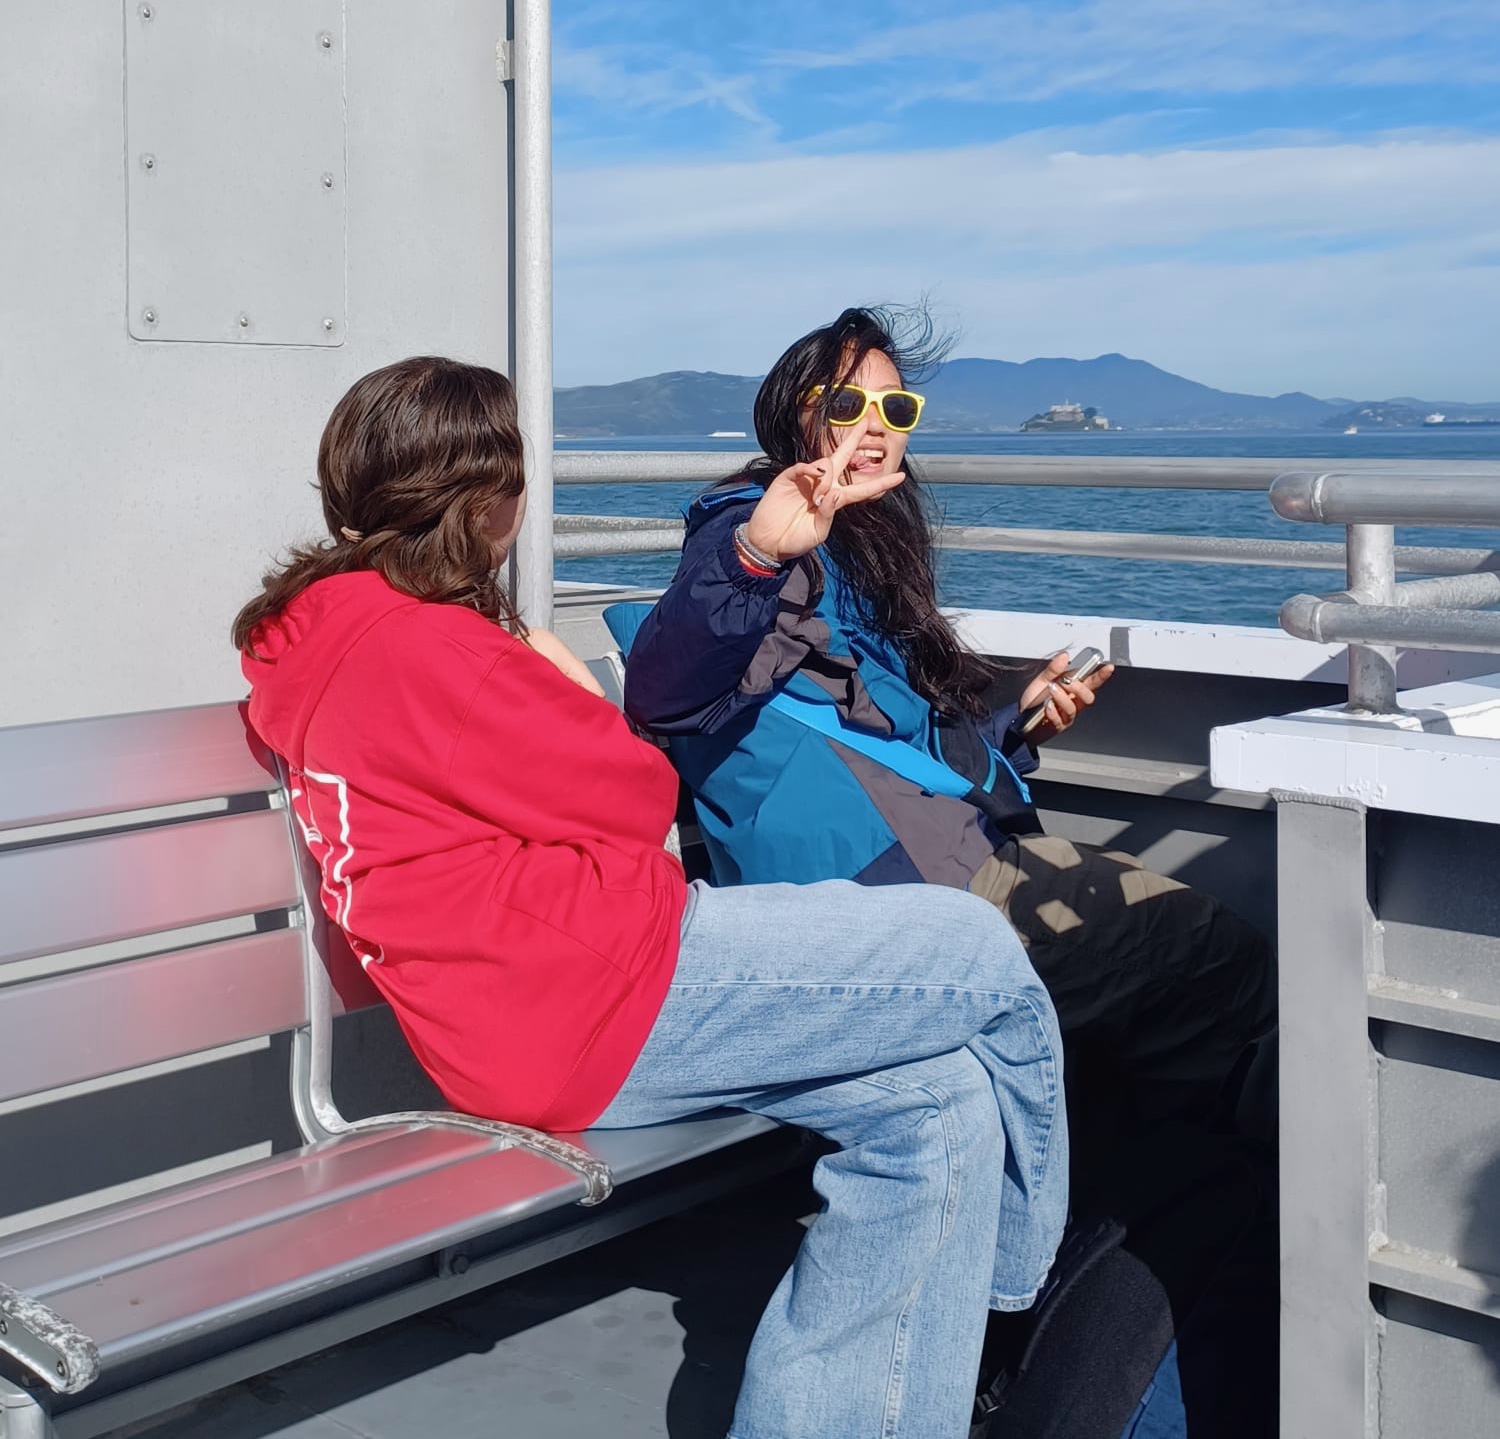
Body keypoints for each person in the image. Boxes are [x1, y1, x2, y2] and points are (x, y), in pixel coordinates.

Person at [234, 354, 1068, 1439]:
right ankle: (1022, 1300)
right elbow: (635, 793)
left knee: (940, 1104)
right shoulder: (441, 651)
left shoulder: (314, 632)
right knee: (983, 952)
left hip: (544, 989)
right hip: (592, 1001)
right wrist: (550, 667)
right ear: (495, 499)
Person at [623, 307, 1279, 1439]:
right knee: (1224, 961)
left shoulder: (861, 561)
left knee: (1148, 1001)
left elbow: (885, 742)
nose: (872, 429)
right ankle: (1232, 1263)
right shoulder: (754, 523)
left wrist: (1016, 721)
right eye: (846, 405)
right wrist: (757, 547)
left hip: (930, 856)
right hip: (889, 894)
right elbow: (672, 687)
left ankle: (1120, 1268)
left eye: (895, 409)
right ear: (794, 417)